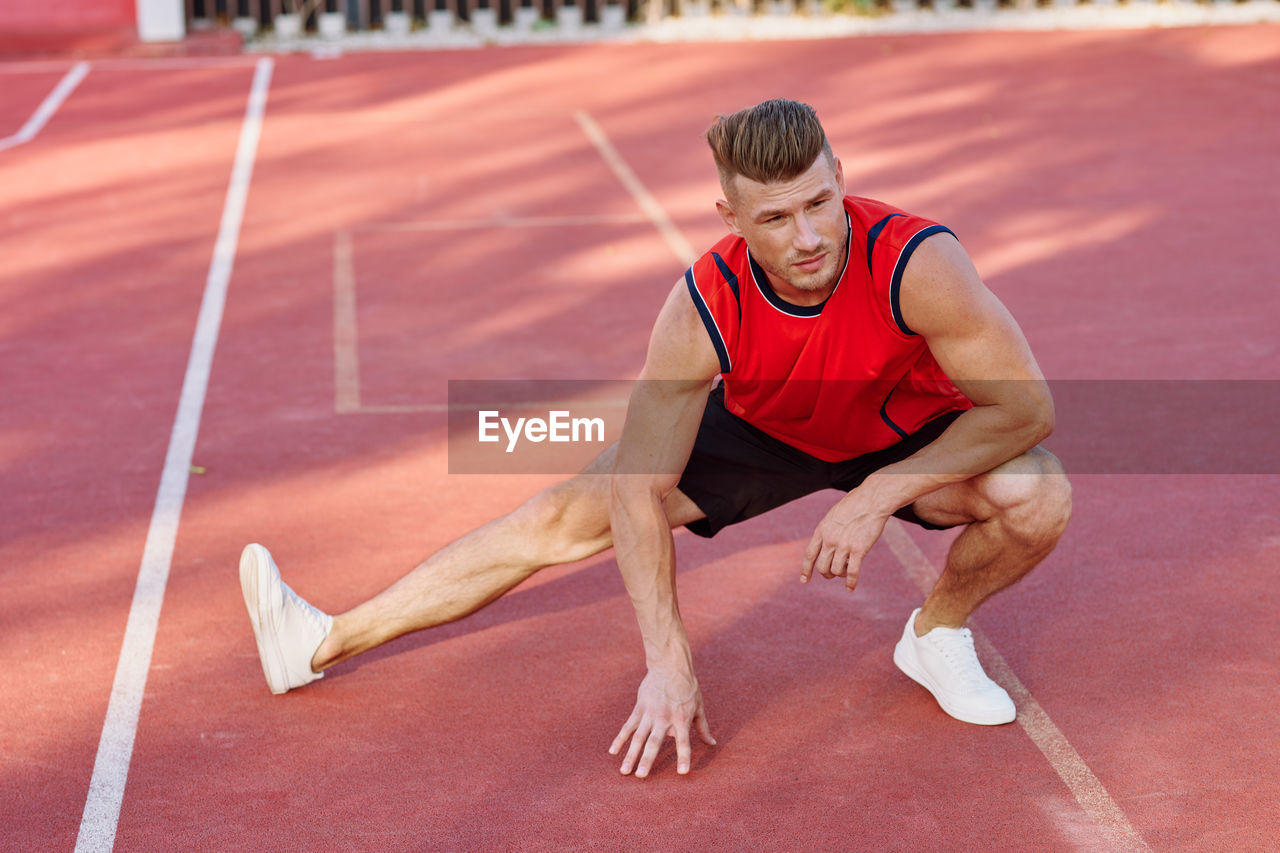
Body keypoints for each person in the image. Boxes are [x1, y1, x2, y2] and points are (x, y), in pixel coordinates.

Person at [239, 98, 1071, 780]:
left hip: (903, 431)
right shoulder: (704, 305)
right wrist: (668, 661)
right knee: (564, 516)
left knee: (1037, 493)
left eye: (820, 202)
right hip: (766, 429)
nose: (809, 236)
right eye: (776, 217)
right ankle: (320, 637)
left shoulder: (916, 262)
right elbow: (638, 489)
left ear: (841, 178)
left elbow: (1026, 409)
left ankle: (936, 635)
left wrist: (878, 493)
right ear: (732, 217)